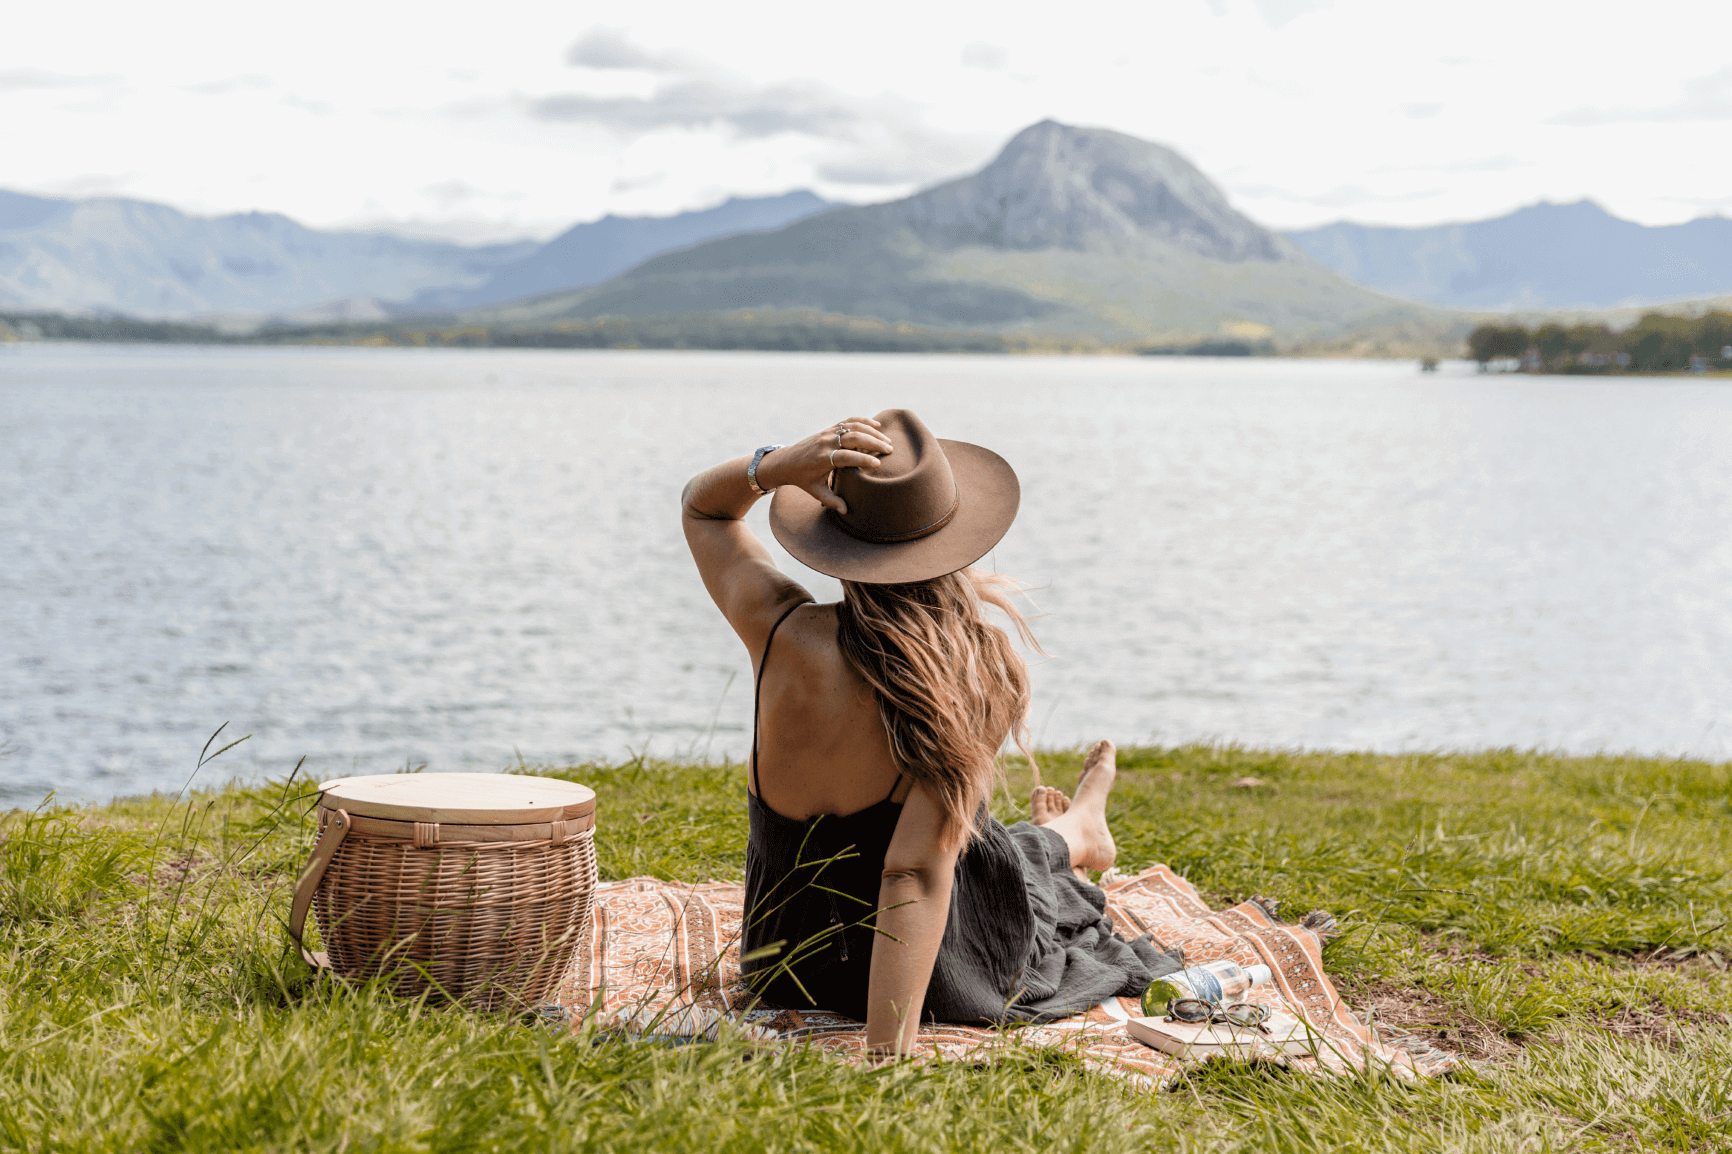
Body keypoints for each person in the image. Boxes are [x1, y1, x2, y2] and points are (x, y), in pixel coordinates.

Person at [681, 409, 1178, 1057]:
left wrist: (772, 468)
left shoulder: (777, 629)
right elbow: (912, 876)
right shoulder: (970, 676)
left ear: (837, 541)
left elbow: (705, 512)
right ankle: (1080, 830)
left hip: (784, 968)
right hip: (935, 977)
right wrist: (886, 1055)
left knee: (986, 846)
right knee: (992, 857)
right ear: (952, 542)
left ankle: (1078, 830)